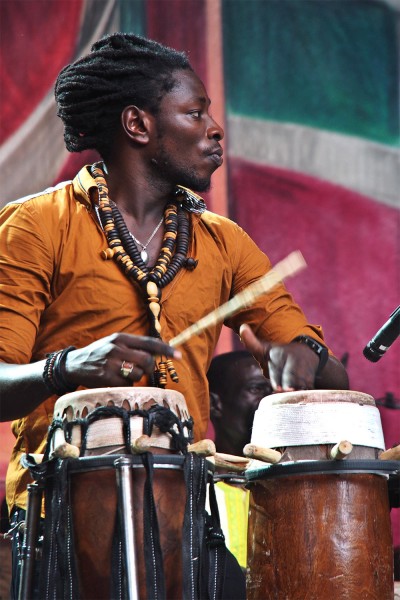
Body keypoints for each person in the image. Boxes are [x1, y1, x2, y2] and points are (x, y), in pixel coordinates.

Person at [0, 33, 349, 597]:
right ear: (138, 125)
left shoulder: (225, 243)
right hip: (58, 520)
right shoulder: (36, 227)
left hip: (185, 515)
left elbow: (336, 378)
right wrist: (66, 367)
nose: (215, 129)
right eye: (195, 112)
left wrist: (301, 355)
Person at [208, 350, 272, 569]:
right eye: (256, 389)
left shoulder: (287, 487)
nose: (269, 401)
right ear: (214, 404)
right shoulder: (193, 492)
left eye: (273, 391)